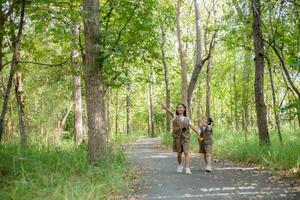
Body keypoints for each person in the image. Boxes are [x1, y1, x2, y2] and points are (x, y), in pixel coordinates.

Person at [162, 103, 200, 175]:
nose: (180, 109)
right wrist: (165, 108)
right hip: (177, 138)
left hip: (185, 138)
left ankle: (187, 168)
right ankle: (179, 165)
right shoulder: (175, 117)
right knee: (179, 153)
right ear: (177, 109)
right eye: (178, 108)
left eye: (181, 107)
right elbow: (171, 112)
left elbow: (192, 126)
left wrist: (198, 133)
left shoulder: (187, 119)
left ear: (184, 109)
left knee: (186, 152)